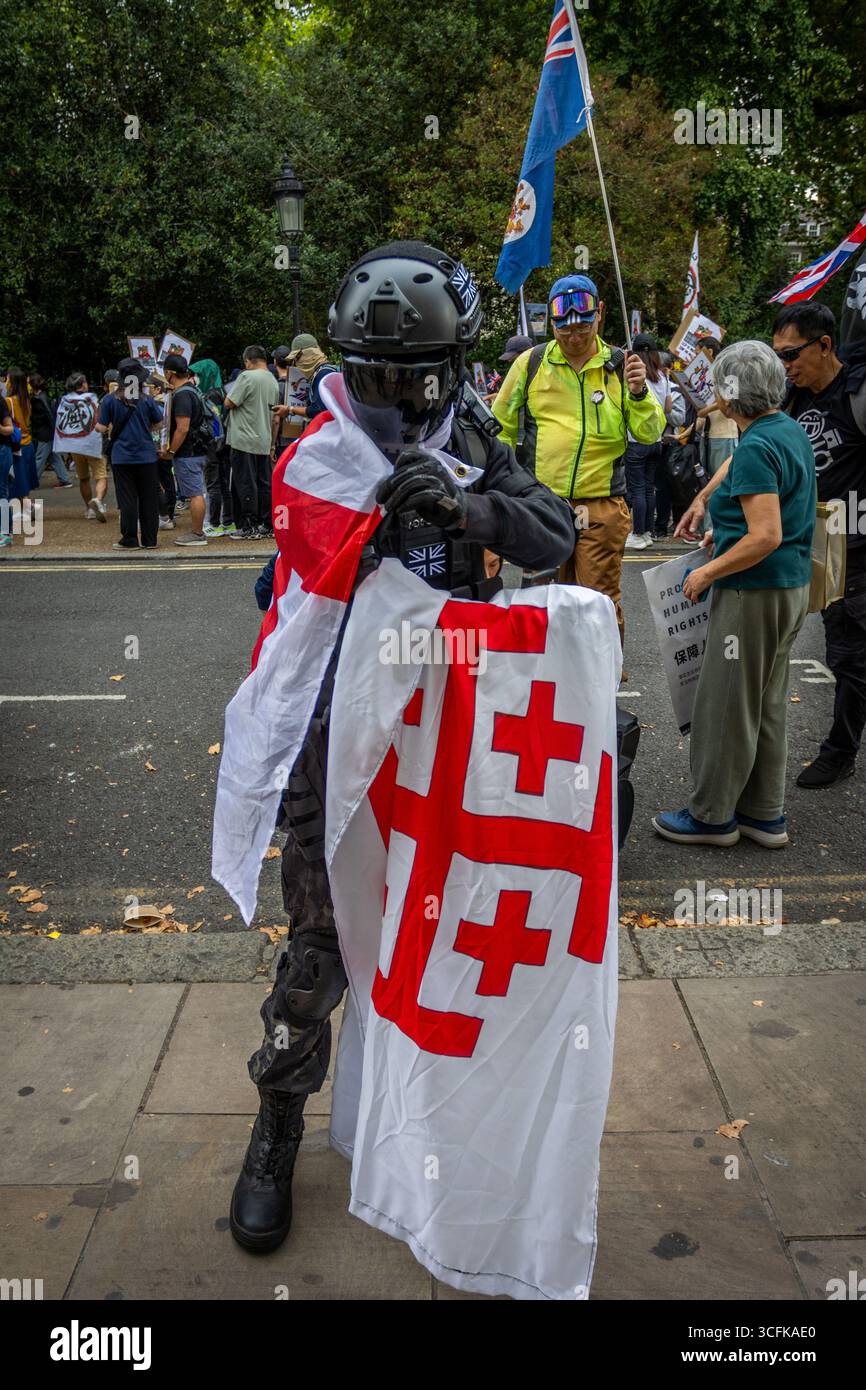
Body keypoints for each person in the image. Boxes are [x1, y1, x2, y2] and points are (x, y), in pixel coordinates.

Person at [228, 239, 576, 1255]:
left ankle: (436, 1126)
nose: (396, 395)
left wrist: (465, 506)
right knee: (318, 949)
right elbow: (302, 558)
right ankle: (277, 1122)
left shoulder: (469, 429)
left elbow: (552, 534)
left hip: (446, 736)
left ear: (452, 367)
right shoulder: (320, 449)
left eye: (414, 376)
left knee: (445, 944)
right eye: (376, 375)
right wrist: (376, 531)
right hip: (337, 742)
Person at [653, 340, 816, 848]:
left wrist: (708, 572)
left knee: (725, 704)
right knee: (764, 704)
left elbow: (764, 535)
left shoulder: (755, 447)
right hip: (788, 590)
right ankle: (763, 813)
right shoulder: (785, 429)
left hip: (751, 592)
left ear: (727, 396)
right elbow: (771, 516)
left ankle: (711, 815)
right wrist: (719, 524)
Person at [492, 274, 665, 646]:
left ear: (599, 314)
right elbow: (500, 428)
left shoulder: (620, 365)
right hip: (542, 504)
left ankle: (601, 688)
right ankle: (542, 683)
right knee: (540, 603)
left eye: (583, 326)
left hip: (601, 504)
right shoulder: (531, 362)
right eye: (563, 327)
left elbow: (650, 433)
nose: (573, 336)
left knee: (596, 605)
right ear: (552, 323)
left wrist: (638, 394)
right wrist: (501, 494)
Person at [773, 300, 866, 788]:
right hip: (822, 548)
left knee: (850, 654)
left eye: (792, 355)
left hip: (862, 550)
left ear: (825, 344)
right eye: (780, 357)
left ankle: (840, 752)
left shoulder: (857, 393)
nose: (786, 367)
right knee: (840, 647)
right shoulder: (794, 398)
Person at [96, 358, 163, 551]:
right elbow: (159, 424)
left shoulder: (109, 400)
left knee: (127, 500)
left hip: (121, 456)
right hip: (147, 456)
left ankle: (130, 539)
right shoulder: (147, 400)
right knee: (148, 499)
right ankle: (150, 540)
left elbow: (101, 428)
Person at [224, 345, 279, 540]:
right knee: (263, 483)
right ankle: (267, 523)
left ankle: (249, 525)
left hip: (243, 439)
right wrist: (272, 443)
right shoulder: (273, 380)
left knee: (245, 483)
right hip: (264, 439)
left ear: (248, 360)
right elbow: (276, 418)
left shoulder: (246, 377)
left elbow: (229, 403)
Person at [623, 332, 670, 550]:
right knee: (649, 488)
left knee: (638, 488)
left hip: (636, 439)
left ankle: (638, 532)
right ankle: (648, 531)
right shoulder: (664, 377)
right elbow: (668, 408)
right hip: (657, 439)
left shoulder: (635, 375)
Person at [159, 353, 208, 547]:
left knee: (195, 493)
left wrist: (171, 451)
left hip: (188, 452)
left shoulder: (182, 395)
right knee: (197, 491)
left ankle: (197, 533)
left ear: (170, 373)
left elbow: (182, 427)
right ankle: (198, 531)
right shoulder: (193, 390)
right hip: (200, 449)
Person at [56, 373, 108, 522]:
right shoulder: (92, 400)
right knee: (101, 476)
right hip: (93, 444)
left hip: (75, 445)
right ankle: (98, 500)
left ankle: (89, 509)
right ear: (83, 385)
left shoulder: (64, 402)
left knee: (84, 478)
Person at [191, 357, 232, 537]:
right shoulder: (223, 391)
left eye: (197, 375)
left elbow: (215, 421)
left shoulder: (211, 395)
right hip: (225, 444)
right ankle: (228, 521)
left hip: (213, 446)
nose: (195, 378)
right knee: (224, 484)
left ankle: (214, 523)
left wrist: (214, 440)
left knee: (214, 484)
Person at [693, 337, 739, 477]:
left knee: (721, 483)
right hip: (709, 435)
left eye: (697, 354)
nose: (695, 358)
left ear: (709, 351)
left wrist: (703, 411)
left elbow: (730, 398)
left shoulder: (728, 368)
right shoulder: (706, 374)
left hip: (725, 436)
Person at [272, 333, 337, 432]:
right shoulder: (324, 372)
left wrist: (290, 409)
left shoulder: (323, 375)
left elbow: (318, 410)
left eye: (297, 358)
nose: (296, 363)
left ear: (309, 354)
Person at [29, 374, 72, 487]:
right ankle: (65, 479)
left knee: (39, 458)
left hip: (44, 433)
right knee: (54, 457)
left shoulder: (38, 399)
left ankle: (32, 481)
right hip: (49, 432)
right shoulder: (43, 396)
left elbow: (47, 416)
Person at [5, 368, 37, 510]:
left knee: (16, 480)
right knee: (25, 480)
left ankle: (27, 507)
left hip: (15, 444)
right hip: (27, 442)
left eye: (7, 379)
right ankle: (28, 505)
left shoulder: (8, 401)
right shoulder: (26, 400)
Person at [0, 390, 14, 549]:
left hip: (2, 450)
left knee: (1, 491)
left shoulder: (0, 402)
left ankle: (5, 532)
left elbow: (9, 429)